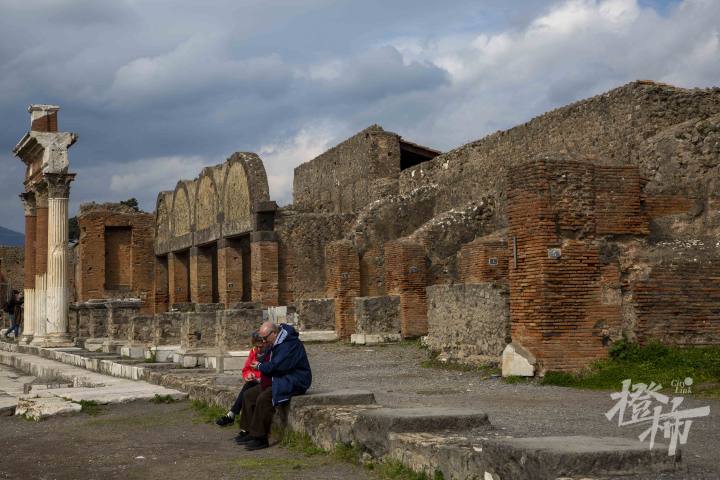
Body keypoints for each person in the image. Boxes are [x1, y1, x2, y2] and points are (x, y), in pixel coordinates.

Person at [236, 321, 312, 451]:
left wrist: (260, 366)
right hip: (280, 378)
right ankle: (248, 431)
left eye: (265, 338)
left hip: (294, 380)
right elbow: (268, 361)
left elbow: (278, 366)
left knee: (264, 398)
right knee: (249, 395)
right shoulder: (276, 342)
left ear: (275, 333)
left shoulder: (289, 344)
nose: (264, 341)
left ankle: (260, 438)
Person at [215, 331, 266, 429]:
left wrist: (254, 375)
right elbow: (246, 369)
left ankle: (232, 415)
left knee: (248, 391)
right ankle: (234, 418)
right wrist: (248, 375)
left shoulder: (268, 353)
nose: (259, 349)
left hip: (264, 381)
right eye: (257, 347)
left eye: (261, 347)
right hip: (255, 381)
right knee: (248, 388)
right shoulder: (253, 352)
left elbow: (267, 370)